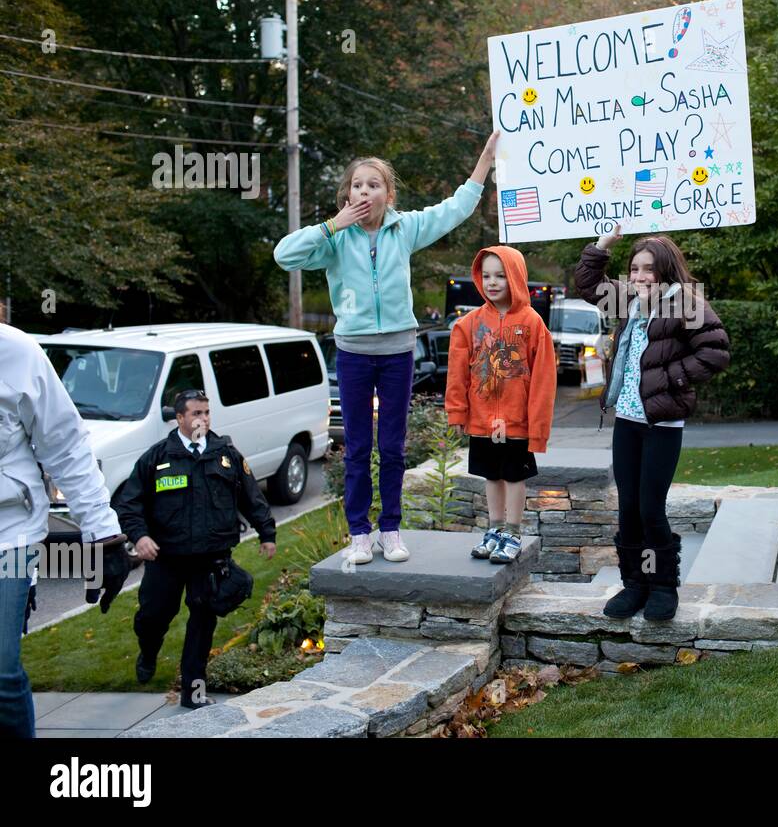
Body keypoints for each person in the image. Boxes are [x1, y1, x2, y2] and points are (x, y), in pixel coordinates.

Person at [274, 131, 499, 565]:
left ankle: (390, 530)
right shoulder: (334, 240)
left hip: (397, 352)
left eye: (373, 184)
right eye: (357, 184)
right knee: (358, 447)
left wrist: (485, 161)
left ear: (387, 194)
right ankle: (359, 532)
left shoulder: (405, 228)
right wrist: (331, 225)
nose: (364, 191)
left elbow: (456, 208)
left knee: (392, 446)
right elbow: (285, 255)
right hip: (354, 353)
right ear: (347, 193)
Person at [575, 225, 730, 621]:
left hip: (661, 424)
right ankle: (634, 585)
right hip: (626, 421)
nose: (641, 277)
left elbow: (715, 351)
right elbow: (589, 284)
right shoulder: (627, 300)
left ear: (666, 271)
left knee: (650, 507)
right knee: (627, 507)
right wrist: (602, 246)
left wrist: (671, 378)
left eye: (650, 269)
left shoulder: (686, 303)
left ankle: (662, 587)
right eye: (635, 269)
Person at [1, 322, 131, 738]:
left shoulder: (17, 353)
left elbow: (66, 445)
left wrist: (104, 537)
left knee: (0, 671)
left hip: (10, 537)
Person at [115, 389, 276, 709]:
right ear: (179, 419)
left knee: (202, 626)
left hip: (211, 559)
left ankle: (193, 692)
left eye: (206, 412)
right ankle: (148, 652)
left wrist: (266, 533)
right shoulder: (157, 457)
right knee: (153, 617)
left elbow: (250, 495)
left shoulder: (225, 453)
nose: (203, 418)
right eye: (196, 413)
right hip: (166, 558)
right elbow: (128, 503)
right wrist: (140, 536)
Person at [446, 246, 557, 564]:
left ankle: (512, 532)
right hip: (482, 422)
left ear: (517, 277)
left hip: (517, 423)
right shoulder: (468, 324)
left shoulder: (533, 323)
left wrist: (537, 428)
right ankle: (493, 530)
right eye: (487, 275)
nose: (492, 282)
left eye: (501, 275)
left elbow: (544, 381)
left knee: (513, 477)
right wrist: (457, 411)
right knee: (491, 476)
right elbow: (457, 374)